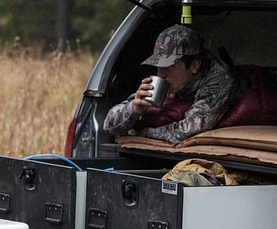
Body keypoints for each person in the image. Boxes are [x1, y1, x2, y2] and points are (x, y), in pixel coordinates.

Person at [104, 24, 245, 144]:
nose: (161, 74)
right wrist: (134, 108)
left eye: (168, 67)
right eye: (158, 66)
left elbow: (188, 131)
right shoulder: (171, 81)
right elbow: (109, 125)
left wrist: (140, 133)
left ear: (194, 65)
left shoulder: (220, 80)